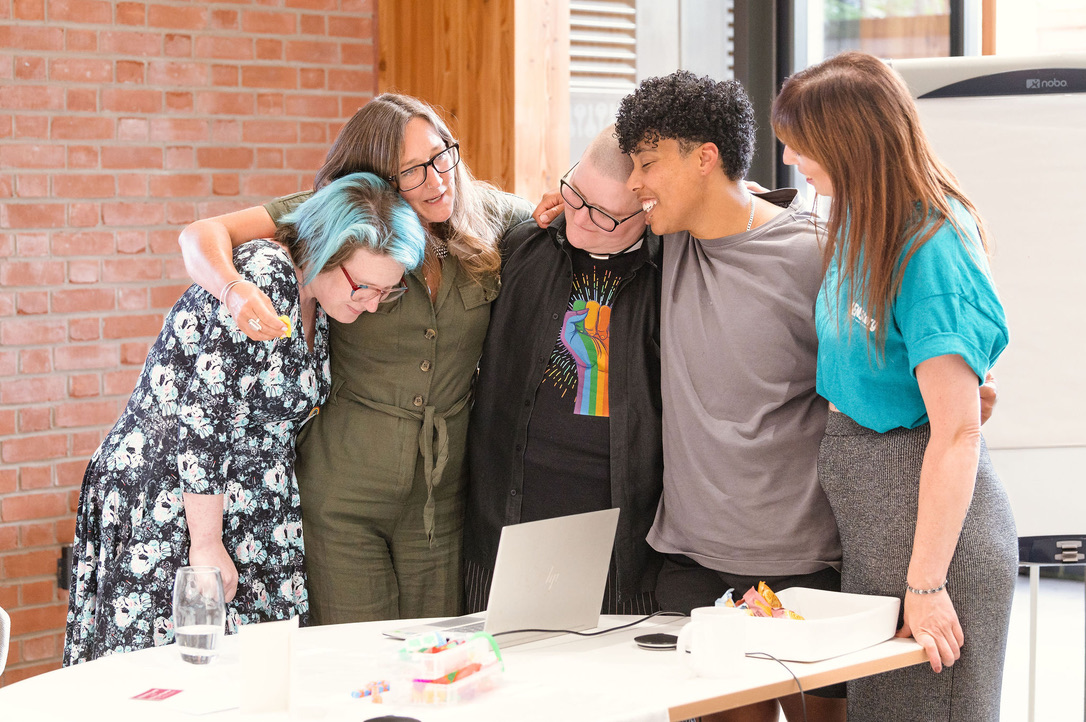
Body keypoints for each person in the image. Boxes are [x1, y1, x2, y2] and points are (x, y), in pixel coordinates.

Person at [177, 94, 532, 625]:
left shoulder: (482, 210)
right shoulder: (340, 214)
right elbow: (201, 234)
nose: (438, 180)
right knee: (352, 666)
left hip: (441, 497)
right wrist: (234, 290)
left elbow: (569, 212)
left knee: (432, 657)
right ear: (379, 179)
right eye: (414, 171)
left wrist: (564, 202)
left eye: (443, 156)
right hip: (342, 489)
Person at [64, 173, 427, 664]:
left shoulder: (318, 300)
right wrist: (207, 544)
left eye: (385, 292)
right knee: (168, 675)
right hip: (178, 501)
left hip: (243, 505)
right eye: (362, 287)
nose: (370, 304)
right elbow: (204, 417)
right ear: (324, 248)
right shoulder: (267, 274)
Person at [772, 51, 1016, 721]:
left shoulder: (931, 248)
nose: (790, 158)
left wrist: (928, 583)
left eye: (799, 144)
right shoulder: (860, 215)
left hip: (933, 542)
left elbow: (959, 432)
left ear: (848, 143)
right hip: (881, 528)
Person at [613, 70, 846, 722]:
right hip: (690, 559)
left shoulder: (816, 254)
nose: (635, 182)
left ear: (705, 157)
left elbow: (881, 377)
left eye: (649, 163)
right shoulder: (668, 245)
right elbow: (597, 183)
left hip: (797, 566)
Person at [464, 125, 662, 616]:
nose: (582, 221)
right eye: (575, 195)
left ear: (650, 209)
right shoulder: (522, 246)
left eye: (606, 216)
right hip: (504, 528)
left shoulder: (675, 272)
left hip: (620, 547)